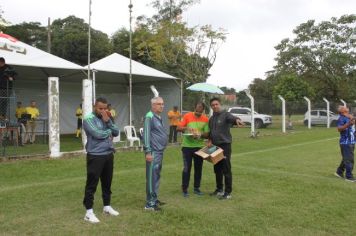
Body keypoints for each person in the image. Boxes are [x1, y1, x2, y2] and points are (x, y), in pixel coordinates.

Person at [82, 97, 120, 223]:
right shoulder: (88, 119)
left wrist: (108, 121)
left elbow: (116, 132)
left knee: (107, 182)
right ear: (95, 106)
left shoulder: (108, 116)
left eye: (105, 108)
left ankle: (107, 206)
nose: (103, 111)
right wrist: (108, 132)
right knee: (92, 184)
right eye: (100, 108)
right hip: (95, 155)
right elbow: (97, 134)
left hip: (109, 154)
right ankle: (88, 212)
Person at [208, 97, 244, 200]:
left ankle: (227, 193)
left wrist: (237, 120)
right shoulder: (211, 119)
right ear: (211, 107)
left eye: (216, 104)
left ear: (220, 105)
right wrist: (210, 140)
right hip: (214, 147)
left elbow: (232, 118)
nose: (215, 106)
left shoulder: (226, 115)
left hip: (225, 146)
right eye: (213, 105)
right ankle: (219, 189)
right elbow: (211, 133)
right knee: (217, 169)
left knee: (226, 169)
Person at [177, 102, 209, 197]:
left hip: (199, 147)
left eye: (201, 109)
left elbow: (207, 134)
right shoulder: (187, 116)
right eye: (197, 108)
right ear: (194, 107)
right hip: (187, 147)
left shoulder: (205, 119)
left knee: (198, 169)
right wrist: (187, 128)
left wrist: (200, 135)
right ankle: (184, 189)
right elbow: (178, 128)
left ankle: (196, 188)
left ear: (203, 110)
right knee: (187, 168)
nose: (199, 110)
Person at [143, 96, 168, 211]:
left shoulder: (158, 117)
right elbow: (146, 135)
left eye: (162, 104)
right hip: (152, 152)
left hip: (159, 151)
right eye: (159, 104)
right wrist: (148, 151)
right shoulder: (149, 116)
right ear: (153, 105)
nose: (162, 106)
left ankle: (154, 198)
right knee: (152, 177)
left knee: (156, 176)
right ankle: (150, 204)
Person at [334, 106, 356, 182]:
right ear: (342, 111)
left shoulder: (349, 116)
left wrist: (352, 119)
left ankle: (339, 172)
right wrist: (348, 124)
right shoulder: (341, 118)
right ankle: (349, 177)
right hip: (346, 142)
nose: (346, 107)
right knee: (349, 159)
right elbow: (339, 129)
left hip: (352, 141)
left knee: (346, 158)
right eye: (345, 108)